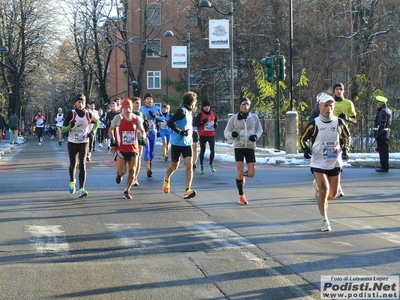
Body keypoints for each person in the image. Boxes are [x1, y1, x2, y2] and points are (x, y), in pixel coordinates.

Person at [299, 92, 351, 232]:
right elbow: (302, 138)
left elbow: (347, 136)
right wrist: (305, 149)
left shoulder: (339, 122)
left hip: (334, 161)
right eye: (325, 105)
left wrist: (345, 149)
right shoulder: (314, 124)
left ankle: (319, 187)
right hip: (318, 162)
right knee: (324, 189)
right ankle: (324, 219)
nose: (329, 108)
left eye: (331, 105)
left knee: (332, 194)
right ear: (319, 107)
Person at [224, 97, 263, 205]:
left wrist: (256, 136)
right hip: (239, 147)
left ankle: (244, 176)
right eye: (243, 104)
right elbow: (226, 132)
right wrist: (232, 135)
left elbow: (260, 129)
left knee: (251, 173)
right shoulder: (233, 119)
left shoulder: (254, 117)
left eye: (247, 104)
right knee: (239, 171)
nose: (245, 106)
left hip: (250, 147)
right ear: (239, 106)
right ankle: (241, 196)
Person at [62, 94, 99, 198]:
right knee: (73, 164)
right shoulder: (71, 114)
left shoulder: (88, 114)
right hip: (72, 142)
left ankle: (82, 189)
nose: (80, 104)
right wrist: (70, 126)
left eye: (82, 102)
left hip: (84, 142)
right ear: (75, 103)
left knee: (82, 164)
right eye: (78, 102)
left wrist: (92, 132)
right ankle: (72, 181)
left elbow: (97, 123)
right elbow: (63, 129)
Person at [108, 98, 146, 199]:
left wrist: (143, 138)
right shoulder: (118, 118)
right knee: (122, 171)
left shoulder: (136, 118)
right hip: (121, 149)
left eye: (129, 107)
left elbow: (142, 131)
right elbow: (111, 130)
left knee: (133, 170)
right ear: (122, 108)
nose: (128, 109)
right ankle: (118, 175)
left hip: (133, 149)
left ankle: (127, 190)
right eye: (125, 107)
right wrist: (112, 139)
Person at [162, 91, 198, 199]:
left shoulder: (189, 112)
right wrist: (180, 132)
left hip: (187, 143)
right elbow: (169, 123)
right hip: (177, 143)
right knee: (174, 166)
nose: (195, 104)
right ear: (191, 101)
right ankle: (166, 179)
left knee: (189, 166)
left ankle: (187, 190)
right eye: (195, 102)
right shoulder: (181, 111)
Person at [332, 82, 357, 197]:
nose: (339, 91)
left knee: (338, 164)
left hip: (343, 136)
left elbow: (355, 120)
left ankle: (336, 188)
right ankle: (334, 188)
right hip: (330, 136)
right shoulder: (329, 103)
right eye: (337, 89)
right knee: (331, 163)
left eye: (340, 89)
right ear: (334, 91)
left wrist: (346, 118)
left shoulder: (348, 103)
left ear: (343, 91)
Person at [140, 93, 164, 177]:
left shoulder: (156, 108)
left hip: (153, 131)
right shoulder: (141, 109)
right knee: (147, 149)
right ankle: (147, 168)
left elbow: (163, 119)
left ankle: (149, 163)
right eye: (147, 98)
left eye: (150, 98)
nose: (149, 100)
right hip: (144, 131)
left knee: (152, 152)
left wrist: (155, 116)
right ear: (144, 100)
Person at [193, 100, 218, 174]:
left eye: (208, 106)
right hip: (203, 135)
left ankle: (211, 164)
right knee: (202, 150)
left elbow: (216, 121)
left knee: (212, 150)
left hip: (211, 135)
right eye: (205, 106)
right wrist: (202, 122)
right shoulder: (200, 114)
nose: (207, 108)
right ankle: (201, 166)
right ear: (203, 107)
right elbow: (194, 123)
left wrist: (216, 125)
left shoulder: (213, 114)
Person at [132, 96, 149, 186]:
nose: (138, 105)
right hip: (129, 140)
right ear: (132, 104)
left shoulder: (142, 115)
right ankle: (131, 174)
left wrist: (145, 135)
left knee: (138, 157)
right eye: (136, 103)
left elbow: (146, 127)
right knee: (131, 159)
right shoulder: (128, 114)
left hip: (139, 139)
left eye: (139, 103)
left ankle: (135, 177)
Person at [374, 95, 392, 172]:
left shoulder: (383, 111)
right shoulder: (388, 110)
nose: (376, 105)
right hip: (385, 133)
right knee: (384, 150)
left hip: (382, 134)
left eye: (377, 103)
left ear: (380, 104)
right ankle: (385, 166)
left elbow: (382, 124)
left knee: (383, 151)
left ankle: (384, 166)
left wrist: (378, 134)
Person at [192, 104, 199, 170]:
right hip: (187, 132)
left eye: (195, 107)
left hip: (195, 132)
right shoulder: (186, 113)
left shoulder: (198, 115)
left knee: (195, 147)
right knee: (189, 148)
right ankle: (189, 161)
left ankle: (194, 163)